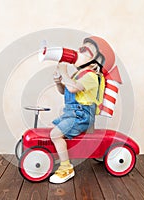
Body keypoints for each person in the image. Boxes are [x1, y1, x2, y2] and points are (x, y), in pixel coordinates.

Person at [49, 37, 106, 184]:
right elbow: (65, 91)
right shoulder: (77, 75)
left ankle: (66, 168)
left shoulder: (92, 76)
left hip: (82, 115)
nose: (79, 52)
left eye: (85, 51)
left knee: (55, 134)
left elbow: (73, 88)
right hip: (72, 113)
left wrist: (64, 72)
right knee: (57, 131)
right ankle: (62, 156)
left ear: (95, 61)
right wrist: (58, 82)